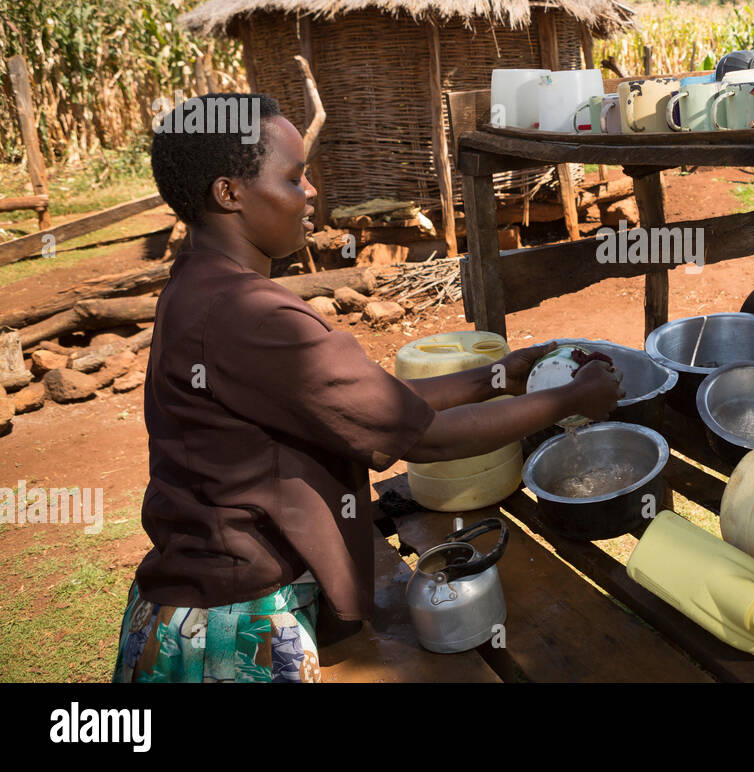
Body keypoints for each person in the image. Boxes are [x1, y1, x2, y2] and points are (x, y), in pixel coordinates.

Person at [112, 93, 622, 682]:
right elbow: (423, 437)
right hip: (230, 634)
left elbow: (370, 407)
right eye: (295, 178)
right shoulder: (251, 316)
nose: (311, 194)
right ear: (229, 194)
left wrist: (496, 377)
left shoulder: (198, 287)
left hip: (194, 608)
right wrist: (570, 400)